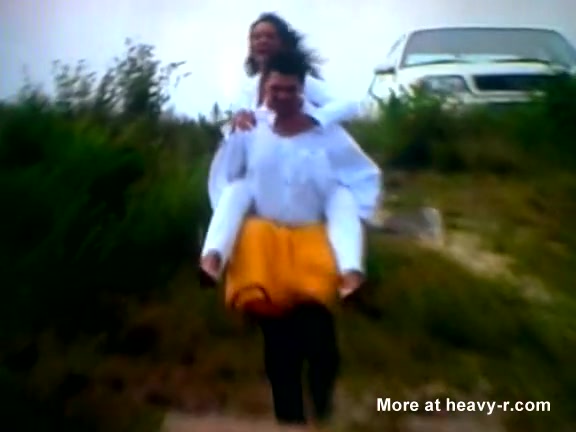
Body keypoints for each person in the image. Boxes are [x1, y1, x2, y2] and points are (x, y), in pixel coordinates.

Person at [201, 50, 381, 429]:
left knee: (320, 343)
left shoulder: (327, 134)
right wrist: (233, 133)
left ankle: (322, 404)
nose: (282, 97)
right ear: (264, 88)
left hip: (313, 242)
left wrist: (351, 214)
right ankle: (291, 420)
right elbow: (227, 178)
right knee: (279, 344)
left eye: (290, 90)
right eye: (275, 89)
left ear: (303, 90)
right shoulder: (250, 129)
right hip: (265, 245)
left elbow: (361, 176)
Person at [203, 12, 376, 296]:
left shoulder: (308, 91)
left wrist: (314, 121)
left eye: (269, 36)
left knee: (341, 196)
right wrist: (236, 126)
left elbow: (348, 106)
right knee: (236, 190)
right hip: (262, 169)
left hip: (305, 166)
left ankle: (351, 273)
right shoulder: (247, 88)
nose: (262, 42)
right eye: (256, 37)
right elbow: (233, 137)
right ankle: (212, 259)